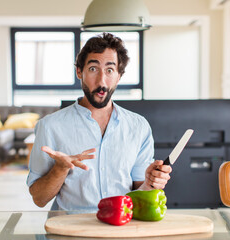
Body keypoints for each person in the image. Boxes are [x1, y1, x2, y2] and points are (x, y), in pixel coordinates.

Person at [27, 32, 172, 212]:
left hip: (121, 226)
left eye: (110, 70)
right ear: (80, 72)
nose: (102, 81)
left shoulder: (138, 127)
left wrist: (150, 182)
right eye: (93, 69)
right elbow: (39, 199)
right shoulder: (50, 126)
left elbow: (138, 190)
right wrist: (60, 169)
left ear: (119, 76)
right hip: (71, 230)